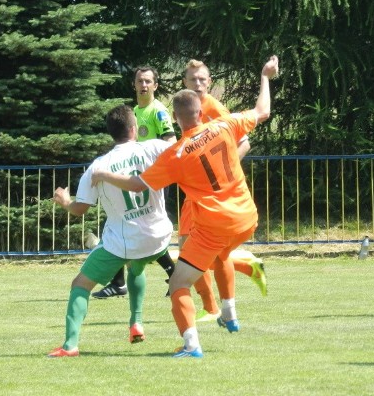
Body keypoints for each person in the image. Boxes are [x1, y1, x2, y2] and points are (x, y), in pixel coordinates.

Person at [92, 55, 278, 359]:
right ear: (201, 112)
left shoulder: (176, 154)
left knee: (179, 282)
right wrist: (265, 76)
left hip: (216, 223)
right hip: (247, 217)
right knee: (222, 257)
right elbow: (263, 110)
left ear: (177, 119)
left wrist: (104, 174)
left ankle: (192, 346)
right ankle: (228, 313)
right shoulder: (224, 124)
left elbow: (139, 185)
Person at [48, 105, 173, 357]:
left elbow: (80, 209)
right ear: (134, 128)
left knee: (80, 284)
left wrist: (64, 202)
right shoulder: (154, 147)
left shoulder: (98, 166)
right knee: (136, 267)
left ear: (110, 133)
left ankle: (70, 346)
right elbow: (180, 148)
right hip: (160, 236)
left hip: (125, 241)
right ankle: (136, 322)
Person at [181, 59, 267, 324]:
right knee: (189, 250)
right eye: (193, 79)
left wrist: (220, 172)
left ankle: (214, 309)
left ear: (209, 82)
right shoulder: (184, 105)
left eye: (202, 79)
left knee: (195, 252)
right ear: (184, 82)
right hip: (195, 193)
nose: (198, 84)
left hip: (214, 194)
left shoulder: (215, 108)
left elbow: (244, 143)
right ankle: (243, 270)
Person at [92, 66, 177, 299]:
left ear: (156, 86)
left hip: (150, 179)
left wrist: (156, 169)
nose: (144, 85)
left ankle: (124, 282)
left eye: (149, 81)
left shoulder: (158, 111)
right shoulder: (136, 111)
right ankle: (123, 281)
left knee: (137, 225)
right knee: (131, 225)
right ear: (134, 84)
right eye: (140, 81)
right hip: (134, 177)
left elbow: (171, 141)